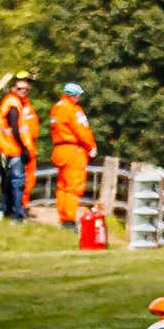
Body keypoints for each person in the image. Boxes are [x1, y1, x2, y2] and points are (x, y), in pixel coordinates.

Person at [49, 83, 97, 228]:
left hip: (59, 149)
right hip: (73, 150)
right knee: (73, 187)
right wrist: (91, 146)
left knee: (62, 186)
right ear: (75, 95)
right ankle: (69, 220)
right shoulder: (73, 109)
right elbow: (81, 130)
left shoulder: (56, 108)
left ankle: (63, 216)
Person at [0, 72, 40, 221]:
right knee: (17, 183)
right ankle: (17, 215)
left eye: (26, 88)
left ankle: (4, 210)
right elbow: (15, 128)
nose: (24, 91)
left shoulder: (20, 102)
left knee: (10, 182)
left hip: (13, 148)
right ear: (14, 88)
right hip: (13, 148)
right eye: (21, 88)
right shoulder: (13, 104)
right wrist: (23, 148)